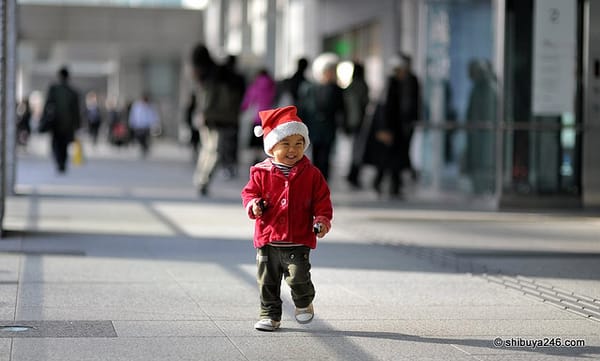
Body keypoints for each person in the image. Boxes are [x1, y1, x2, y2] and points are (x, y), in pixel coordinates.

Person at [241, 105, 333, 332]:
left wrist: (322, 219)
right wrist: (254, 205)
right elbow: (249, 194)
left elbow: (322, 200)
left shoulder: (312, 174)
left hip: (298, 238)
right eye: (286, 144)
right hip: (268, 239)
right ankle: (269, 314)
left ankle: (303, 301)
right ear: (272, 147)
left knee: (298, 277)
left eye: (298, 144)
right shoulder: (260, 172)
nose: (293, 150)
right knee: (267, 282)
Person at [191, 44, 242, 195]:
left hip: (211, 118)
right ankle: (203, 179)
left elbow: (206, 98)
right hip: (223, 119)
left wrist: (202, 114)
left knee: (208, 149)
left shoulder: (209, 75)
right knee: (214, 151)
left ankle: (201, 178)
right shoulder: (232, 77)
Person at [372, 53, 421, 197]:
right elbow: (384, 108)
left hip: (402, 126)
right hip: (392, 127)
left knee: (397, 156)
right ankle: (382, 181)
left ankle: (394, 184)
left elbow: (414, 103)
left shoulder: (410, 81)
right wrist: (384, 128)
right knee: (389, 156)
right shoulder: (391, 84)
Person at [297, 53, 346, 180]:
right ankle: (316, 177)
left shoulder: (337, 90)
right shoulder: (310, 88)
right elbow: (304, 107)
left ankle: (323, 179)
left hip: (329, 127)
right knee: (316, 153)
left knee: (327, 154)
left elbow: (341, 108)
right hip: (314, 127)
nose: (329, 74)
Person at [42, 66, 81, 173]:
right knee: (64, 144)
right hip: (67, 124)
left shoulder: (53, 89)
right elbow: (76, 111)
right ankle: (62, 163)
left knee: (56, 143)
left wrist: (44, 120)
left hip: (55, 123)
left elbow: (47, 106)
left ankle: (59, 162)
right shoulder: (72, 92)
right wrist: (77, 124)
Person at [240, 68, 276, 164]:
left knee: (256, 139)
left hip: (257, 117)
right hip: (269, 117)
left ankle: (256, 159)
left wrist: (243, 107)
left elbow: (248, 99)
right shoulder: (272, 85)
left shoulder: (255, 85)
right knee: (266, 139)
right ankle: (265, 159)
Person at [343, 62, 370, 188]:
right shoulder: (362, 86)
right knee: (357, 150)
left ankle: (352, 174)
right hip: (359, 121)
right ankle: (353, 174)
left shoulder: (351, 86)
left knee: (355, 149)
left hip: (352, 121)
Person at [128, 92, 160, 157]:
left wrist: (155, 123)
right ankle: (144, 147)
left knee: (145, 138)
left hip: (146, 125)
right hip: (139, 125)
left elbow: (154, 115)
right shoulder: (137, 105)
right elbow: (133, 115)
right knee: (140, 137)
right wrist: (132, 123)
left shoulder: (150, 106)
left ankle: (145, 148)